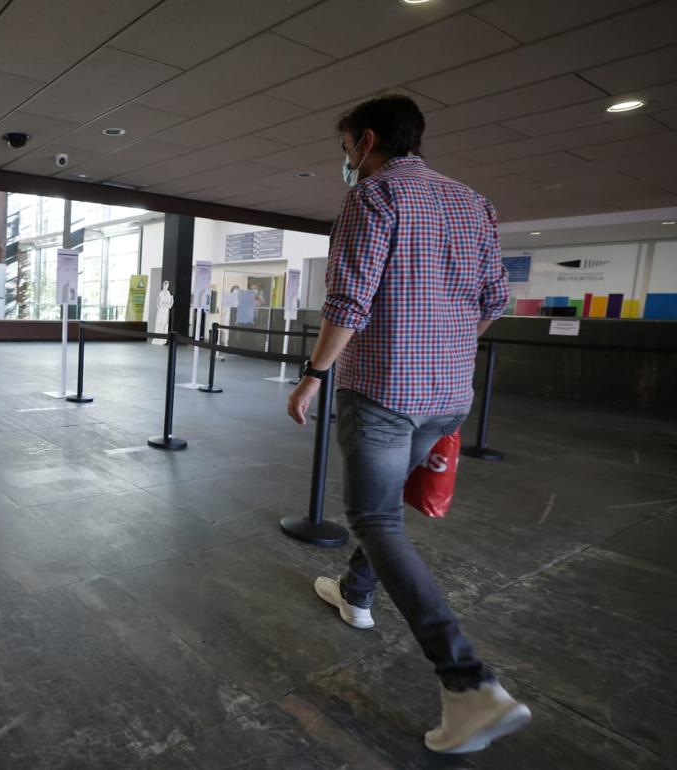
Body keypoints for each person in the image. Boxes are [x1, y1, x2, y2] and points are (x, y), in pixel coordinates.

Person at [286, 94, 528, 754]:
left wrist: (314, 374)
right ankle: (355, 593)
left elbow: (350, 299)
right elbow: (493, 300)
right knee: (386, 505)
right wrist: (447, 345)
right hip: (448, 393)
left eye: (346, 151)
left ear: (367, 142)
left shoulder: (374, 196)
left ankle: (469, 683)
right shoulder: (472, 201)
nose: (347, 162)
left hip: (385, 391)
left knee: (374, 518)